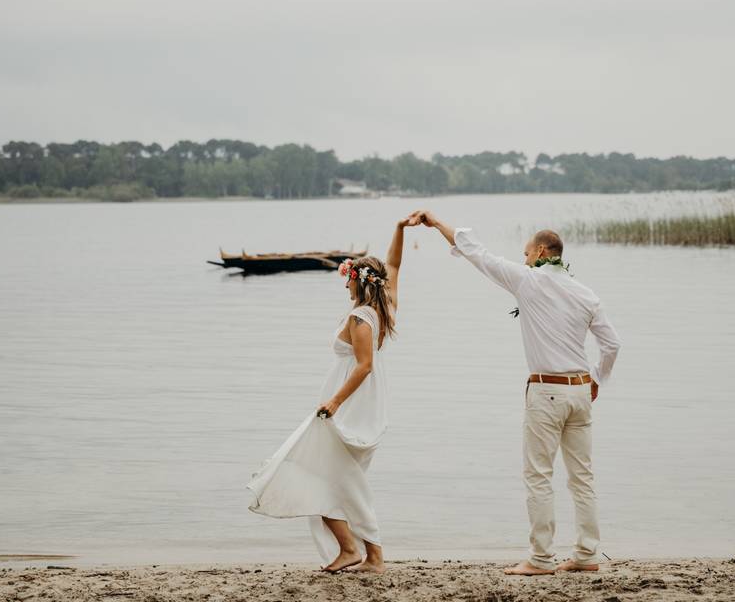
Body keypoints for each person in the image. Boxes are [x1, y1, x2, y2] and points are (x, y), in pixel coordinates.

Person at [410, 210, 621, 576]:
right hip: (580, 392)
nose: (524, 259)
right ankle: (586, 554)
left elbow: (478, 254)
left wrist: (437, 223)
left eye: (526, 253)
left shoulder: (528, 281)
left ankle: (541, 558)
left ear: (541, 251)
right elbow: (612, 344)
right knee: (582, 477)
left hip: (547, 392)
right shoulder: (586, 293)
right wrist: (597, 379)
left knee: (539, 476)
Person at [246, 216, 417, 574]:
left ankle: (362, 552)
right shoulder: (384, 309)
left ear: (357, 282)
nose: (344, 287)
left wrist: (335, 402)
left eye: (348, 280)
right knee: (333, 478)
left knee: (322, 475)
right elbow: (396, 264)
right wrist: (400, 229)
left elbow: (364, 365)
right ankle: (357, 551)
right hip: (364, 408)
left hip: (347, 411)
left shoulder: (360, 319)